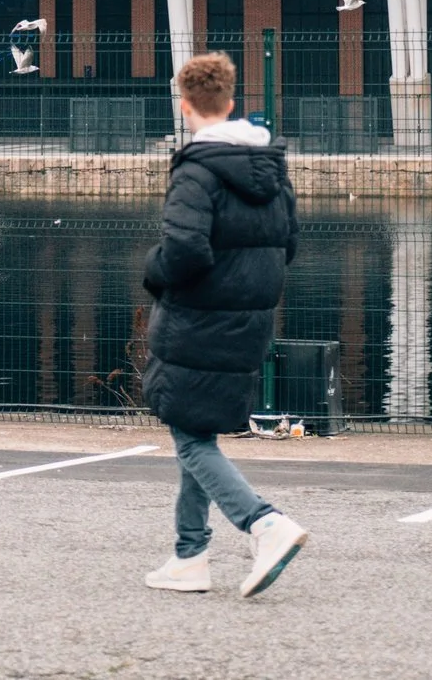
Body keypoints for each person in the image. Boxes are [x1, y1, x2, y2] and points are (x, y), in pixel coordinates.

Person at [140, 51, 308, 597]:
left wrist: (153, 272)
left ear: (185, 107)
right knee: (197, 428)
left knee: (188, 435)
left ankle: (263, 522)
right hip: (251, 319)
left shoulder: (196, 170)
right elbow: (290, 245)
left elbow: (184, 249)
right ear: (232, 103)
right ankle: (189, 556)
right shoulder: (272, 169)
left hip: (197, 319)